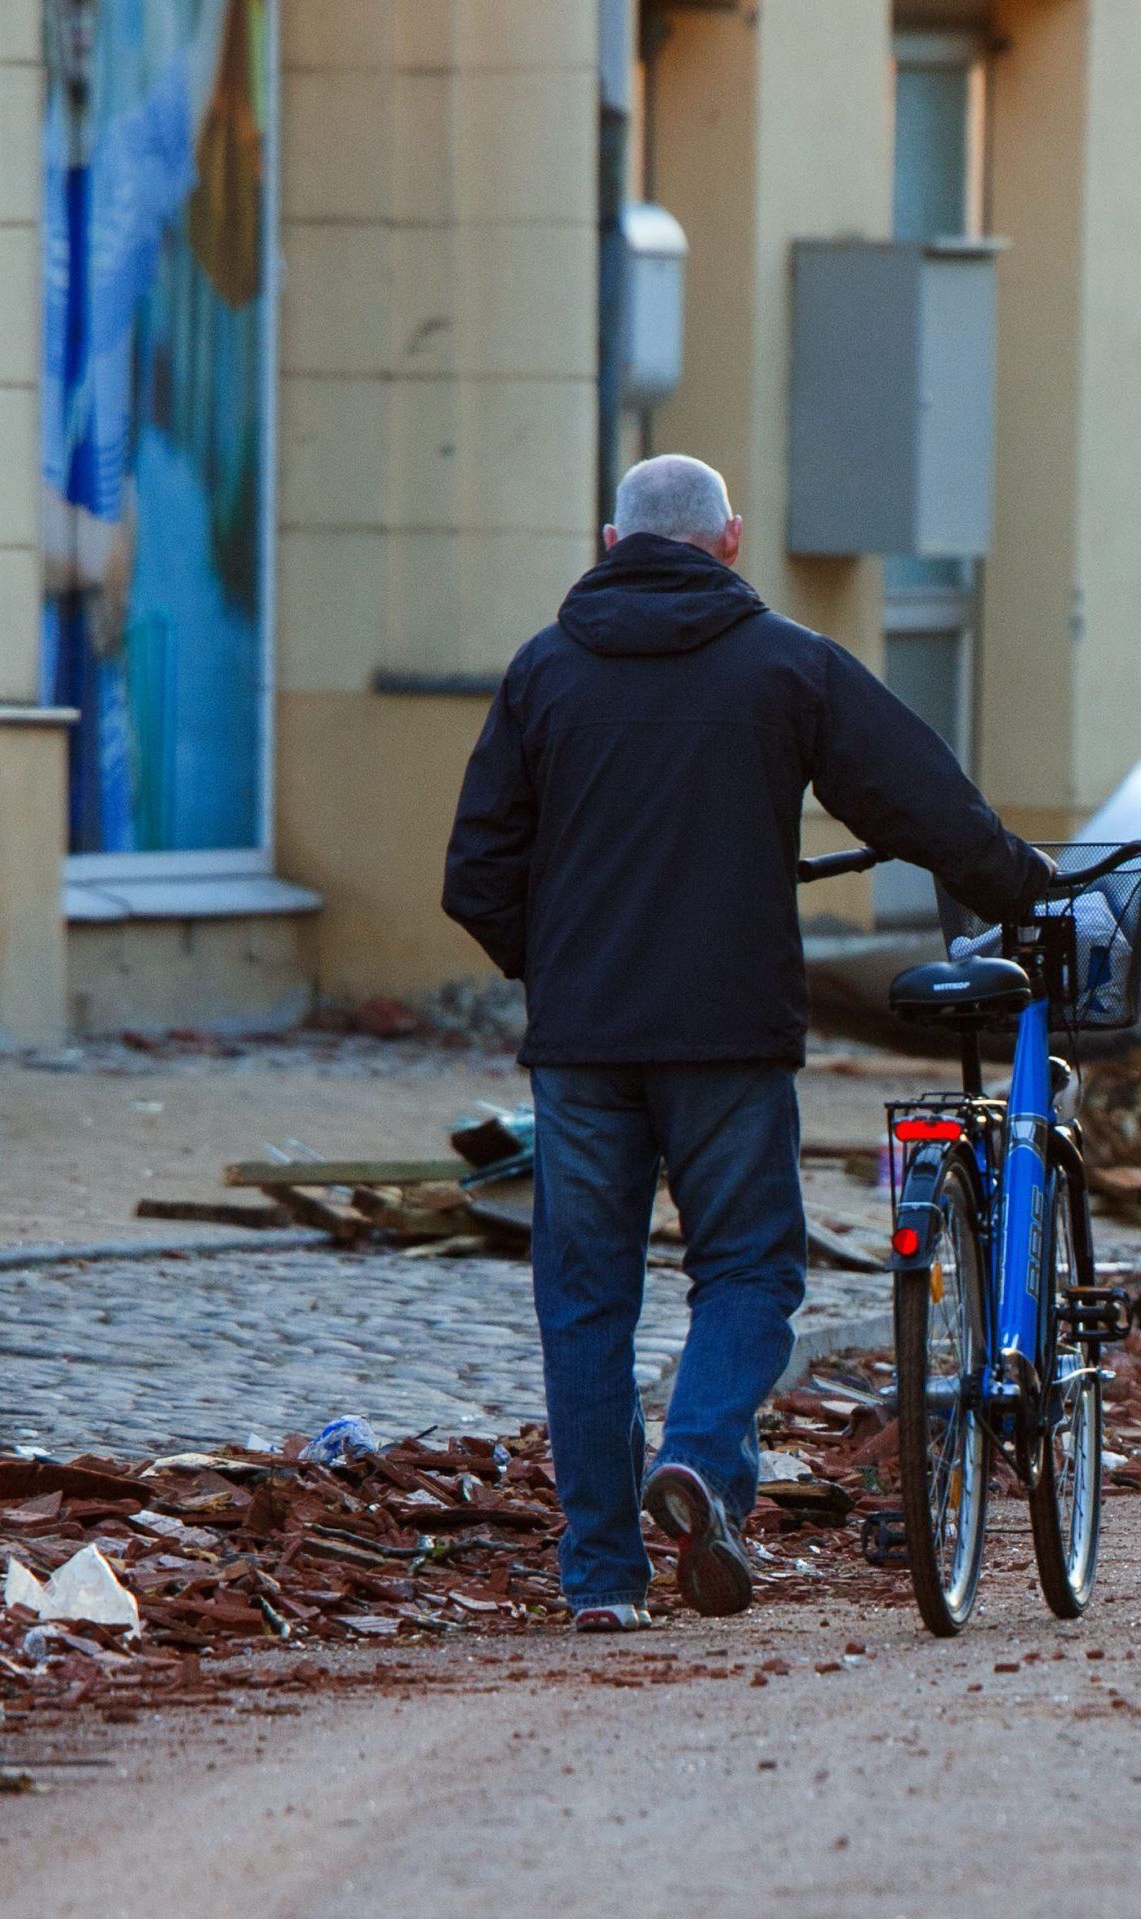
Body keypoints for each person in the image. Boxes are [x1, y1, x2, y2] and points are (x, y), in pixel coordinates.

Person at [444, 454, 1041, 1630]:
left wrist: (558, 969)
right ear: (726, 547)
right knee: (751, 1272)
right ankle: (704, 1463)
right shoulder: (785, 665)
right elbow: (916, 799)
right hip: (729, 1034)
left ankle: (603, 1579)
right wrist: (1021, 883)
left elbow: (474, 873)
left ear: (611, 542)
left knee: (585, 1300)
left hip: (582, 1048)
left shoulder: (543, 674)